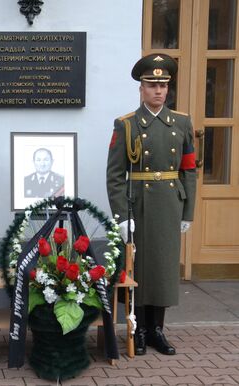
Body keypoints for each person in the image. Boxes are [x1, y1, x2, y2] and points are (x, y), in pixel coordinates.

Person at [106, 53, 196, 356]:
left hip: (170, 203)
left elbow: (189, 170)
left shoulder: (181, 123)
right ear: (141, 88)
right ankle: (139, 329)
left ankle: (158, 329)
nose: (158, 91)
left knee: (165, 269)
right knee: (141, 268)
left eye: (163, 85)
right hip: (139, 205)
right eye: (151, 85)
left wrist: (188, 212)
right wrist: (120, 216)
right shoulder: (127, 125)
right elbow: (115, 175)